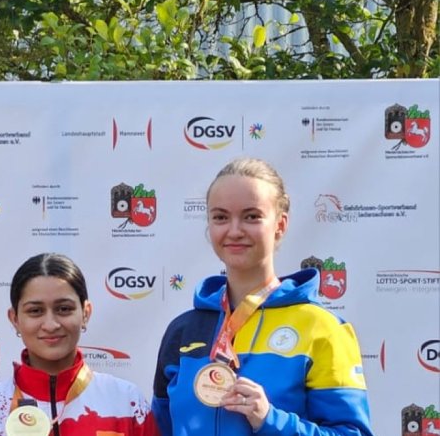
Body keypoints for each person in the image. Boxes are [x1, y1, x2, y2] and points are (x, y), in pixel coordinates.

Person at [152, 157, 374, 435]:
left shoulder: (323, 329)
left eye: (251, 216)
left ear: (280, 224)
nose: (234, 230)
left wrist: (270, 420)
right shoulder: (183, 330)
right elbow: (159, 429)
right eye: (220, 217)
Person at [0, 252, 159, 436]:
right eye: (35, 311)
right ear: (14, 318)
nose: (51, 325)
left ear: (85, 313)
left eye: (64, 309)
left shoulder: (126, 402)